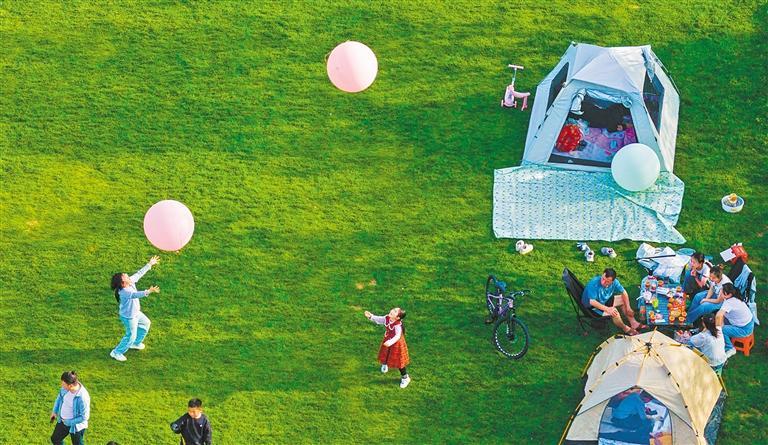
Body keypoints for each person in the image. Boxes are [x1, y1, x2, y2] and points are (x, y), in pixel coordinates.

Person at [109, 256, 161, 362]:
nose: (128, 276)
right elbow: (135, 294)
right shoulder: (125, 292)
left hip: (136, 313)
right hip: (129, 317)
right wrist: (148, 291)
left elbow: (139, 274)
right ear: (123, 283)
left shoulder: (129, 282)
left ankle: (135, 343)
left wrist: (150, 264)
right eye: (126, 277)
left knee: (146, 323)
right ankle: (116, 352)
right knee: (130, 336)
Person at [582, 268, 643, 335]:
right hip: (592, 307)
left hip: (603, 300)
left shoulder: (615, 282)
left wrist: (628, 307)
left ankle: (633, 323)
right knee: (614, 312)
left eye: (607, 281)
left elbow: (624, 292)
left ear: (612, 281)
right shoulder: (594, 284)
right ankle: (625, 328)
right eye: (603, 278)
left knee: (623, 299)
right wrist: (608, 309)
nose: (603, 282)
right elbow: (592, 302)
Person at [364, 307, 411, 388]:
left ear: (397, 317)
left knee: (399, 361)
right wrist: (371, 316)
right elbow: (380, 319)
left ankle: (405, 378)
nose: (392, 311)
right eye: (393, 309)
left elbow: (397, 336)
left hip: (396, 344)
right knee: (385, 353)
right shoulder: (387, 318)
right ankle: (385, 364)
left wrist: (390, 342)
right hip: (387, 340)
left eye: (395, 311)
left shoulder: (398, 326)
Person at [50, 371, 90, 445]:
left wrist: (69, 422)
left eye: (63, 384)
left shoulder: (82, 397)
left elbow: (84, 417)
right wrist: (54, 411)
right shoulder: (65, 389)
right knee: (55, 439)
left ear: (70, 386)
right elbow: (59, 398)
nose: (62, 386)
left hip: (76, 426)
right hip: (62, 421)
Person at [716, 283, 754, 359]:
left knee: (722, 330)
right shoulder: (734, 297)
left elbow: (719, 315)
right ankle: (722, 337)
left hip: (744, 329)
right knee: (719, 322)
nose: (720, 292)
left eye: (722, 291)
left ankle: (730, 348)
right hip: (747, 323)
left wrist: (718, 329)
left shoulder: (730, 302)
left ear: (728, 294)